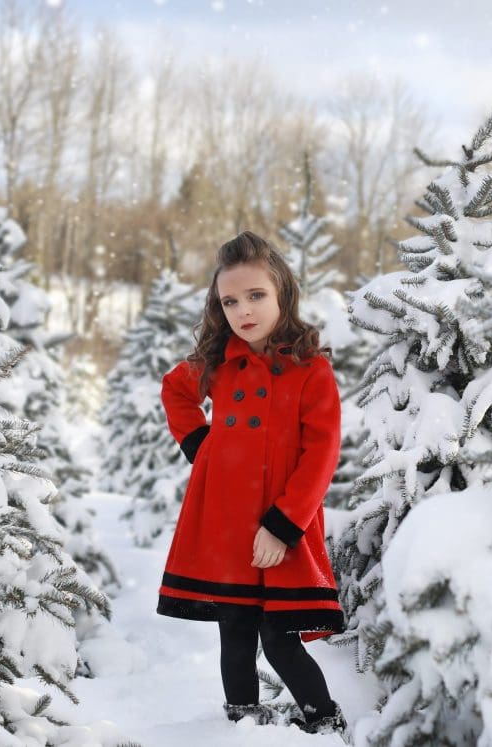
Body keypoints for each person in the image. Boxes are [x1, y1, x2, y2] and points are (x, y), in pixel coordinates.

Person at [157, 230, 349, 738]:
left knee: (281, 635)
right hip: (227, 523)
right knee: (236, 631)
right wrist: (204, 449)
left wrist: (283, 525)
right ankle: (242, 725)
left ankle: (326, 723)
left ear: (283, 292)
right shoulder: (219, 364)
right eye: (230, 301)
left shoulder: (311, 370)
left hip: (283, 524)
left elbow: (321, 453)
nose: (244, 310)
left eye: (256, 295)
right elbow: (175, 389)